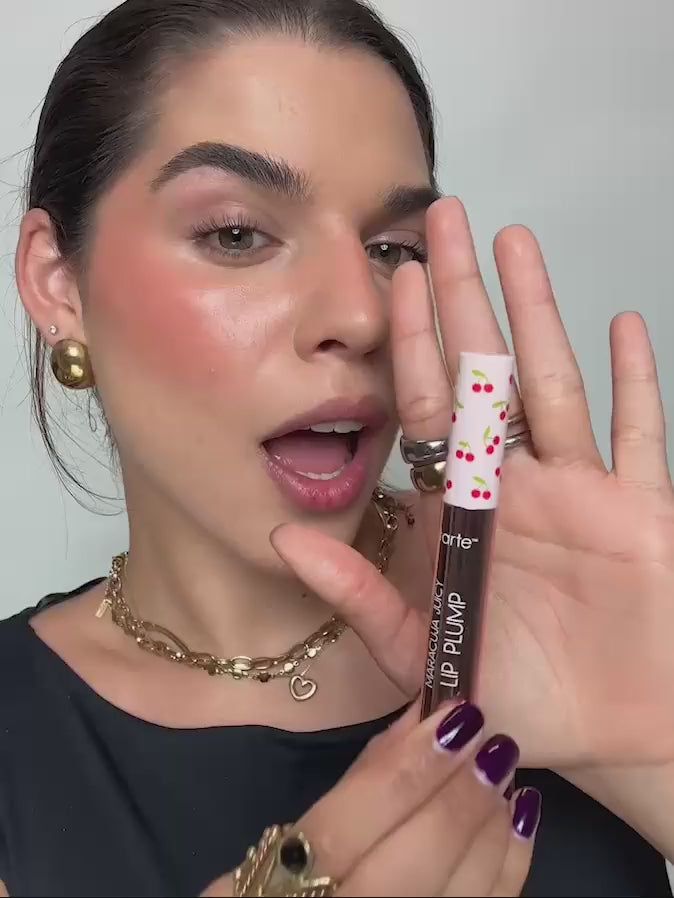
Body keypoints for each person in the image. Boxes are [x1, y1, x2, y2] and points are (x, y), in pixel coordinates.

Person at [1, 0, 673, 894]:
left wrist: (660, 747)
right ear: (58, 282)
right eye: (237, 234)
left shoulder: (566, 611)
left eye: (393, 248)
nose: (361, 313)